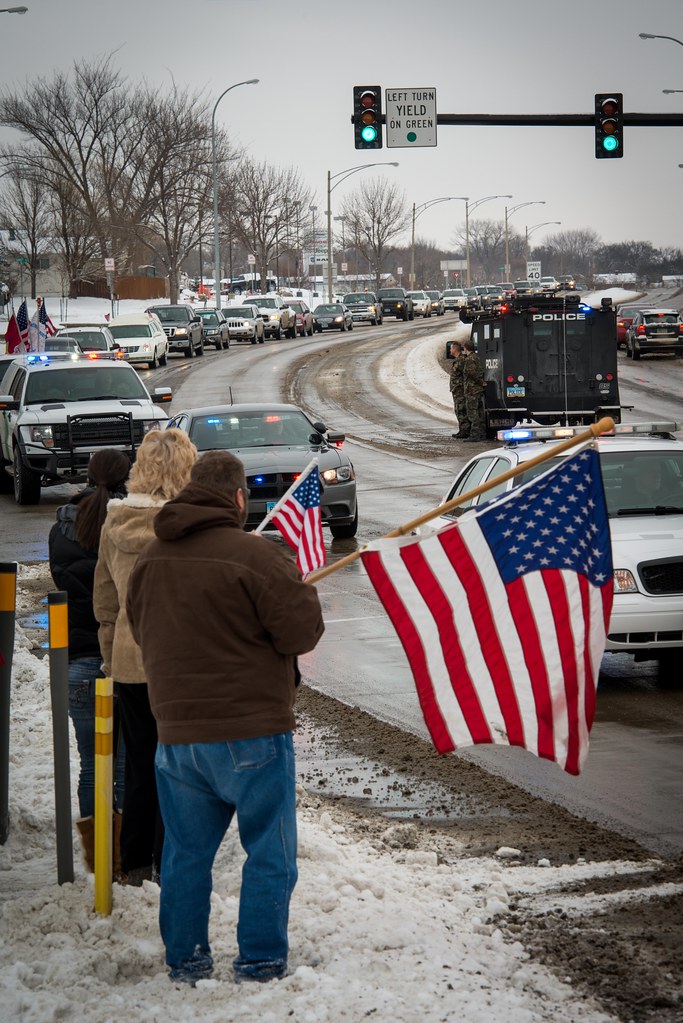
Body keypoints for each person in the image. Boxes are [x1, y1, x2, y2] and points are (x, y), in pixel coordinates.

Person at [126, 450, 324, 985]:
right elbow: (302, 633)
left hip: (176, 735)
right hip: (251, 732)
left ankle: (186, 960)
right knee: (269, 851)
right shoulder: (255, 556)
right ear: (238, 498)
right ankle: (259, 961)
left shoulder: (150, 559)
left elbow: (141, 632)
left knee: (185, 855)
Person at [93, 428, 197, 886]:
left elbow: (104, 603)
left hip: (129, 664)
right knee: (180, 772)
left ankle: (134, 865)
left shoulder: (113, 524)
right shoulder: (183, 526)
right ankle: (168, 864)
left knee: (139, 767)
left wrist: (111, 658)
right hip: (178, 664)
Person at [48, 449, 131, 874]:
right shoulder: (125, 527)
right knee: (122, 765)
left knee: (89, 765)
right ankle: (122, 861)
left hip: (75, 661)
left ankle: (99, 860)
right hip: (119, 661)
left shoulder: (60, 528)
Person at [461, 339, 487, 441]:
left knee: (472, 412)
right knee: (480, 412)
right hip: (478, 390)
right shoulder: (476, 357)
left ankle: (475, 434)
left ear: (466, 348)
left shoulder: (469, 359)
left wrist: (480, 382)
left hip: (472, 390)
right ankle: (482, 433)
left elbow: (471, 373)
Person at [448, 341, 468, 438]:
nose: (450, 350)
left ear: (455, 349)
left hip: (461, 390)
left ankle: (465, 431)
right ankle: (462, 430)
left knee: (461, 410)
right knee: (458, 410)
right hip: (457, 390)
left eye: (451, 348)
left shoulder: (461, 360)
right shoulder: (458, 360)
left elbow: (466, 375)